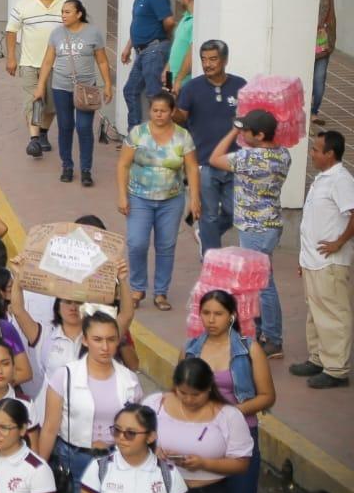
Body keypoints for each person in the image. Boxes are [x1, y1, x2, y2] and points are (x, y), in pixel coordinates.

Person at [183, 290, 275, 493]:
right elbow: (178, 393)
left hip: (240, 438)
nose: (211, 320)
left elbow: (267, 396)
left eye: (218, 314)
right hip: (201, 438)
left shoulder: (249, 349)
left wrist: (229, 414)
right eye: (206, 313)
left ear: (231, 316)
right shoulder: (190, 349)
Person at [37, 312, 143, 493]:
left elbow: (139, 429)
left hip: (117, 464)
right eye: (97, 339)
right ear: (85, 340)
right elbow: (49, 428)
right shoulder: (64, 376)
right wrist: (37, 471)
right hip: (74, 463)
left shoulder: (130, 381)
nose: (105, 347)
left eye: (111, 339)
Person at [142, 358, 252, 493]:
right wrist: (151, 452)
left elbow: (242, 464)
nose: (189, 400)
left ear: (209, 388)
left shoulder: (229, 415)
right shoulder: (155, 404)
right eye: (182, 393)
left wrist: (204, 464)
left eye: (196, 395)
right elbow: (136, 441)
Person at [207, 111, 291, 358]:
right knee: (261, 282)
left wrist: (233, 131)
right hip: (271, 225)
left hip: (254, 229)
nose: (243, 134)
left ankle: (273, 339)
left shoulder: (250, 158)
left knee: (264, 285)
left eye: (247, 131)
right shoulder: (283, 155)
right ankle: (263, 331)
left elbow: (215, 158)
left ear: (260, 135)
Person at [116, 91, 198, 311]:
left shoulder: (183, 137)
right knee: (136, 243)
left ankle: (161, 292)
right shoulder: (138, 134)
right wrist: (122, 195)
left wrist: (195, 199)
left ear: (172, 112)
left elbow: (191, 167)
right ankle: (137, 288)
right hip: (139, 198)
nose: (159, 115)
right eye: (155, 110)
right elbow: (123, 164)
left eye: (163, 111)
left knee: (166, 246)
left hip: (171, 199)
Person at [77, 403, 189, 493]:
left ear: (150, 437)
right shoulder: (98, 468)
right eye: (117, 431)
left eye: (130, 433)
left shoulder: (169, 474)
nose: (121, 438)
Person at [292, 130, 354, 389]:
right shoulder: (322, 179)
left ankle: (337, 369)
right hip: (313, 261)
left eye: (316, 150)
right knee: (315, 312)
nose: (312, 154)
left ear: (330, 154)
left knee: (334, 313)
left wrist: (339, 242)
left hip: (330, 262)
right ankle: (318, 359)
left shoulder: (341, 179)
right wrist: (303, 258)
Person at [174, 39, 246, 253]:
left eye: (213, 59)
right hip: (204, 163)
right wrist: (172, 107)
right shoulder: (191, 88)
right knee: (209, 215)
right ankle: (210, 260)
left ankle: (204, 235)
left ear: (225, 60)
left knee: (234, 212)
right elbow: (180, 118)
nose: (207, 64)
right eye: (204, 60)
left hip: (234, 162)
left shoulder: (241, 85)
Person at [34, 0, 110, 185]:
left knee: (84, 128)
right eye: (62, 12)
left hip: (86, 89)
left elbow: (101, 61)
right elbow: (47, 62)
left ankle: (86, 170)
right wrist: (40, 86)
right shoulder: (57, 34)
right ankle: (67, 166)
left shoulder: (93, 33)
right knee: (65, 127)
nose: (63, 15)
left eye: (68, 12)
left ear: (79, 14)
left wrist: (107, 84)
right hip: (61, 88)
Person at [5, 0, 65, 158]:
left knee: (52, 105)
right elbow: (11, 31)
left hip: (58, 65)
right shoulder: (24, 4)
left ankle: (44, 133)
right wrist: (11, 57)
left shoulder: (67, 4)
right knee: (33, 101)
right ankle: (34, 140)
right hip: (30, 63)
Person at [117, 0, 175, 129]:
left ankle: (158, 136)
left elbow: (169, 21)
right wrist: (129, 46)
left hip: (154, 50)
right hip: (141, 51)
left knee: (155, 95)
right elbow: (138, 23)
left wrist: (161, 39)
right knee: (130, 90)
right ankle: (134, 134)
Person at [314, 0, 337, 123]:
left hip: (321, 40)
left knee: (319, 79)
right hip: (305, 39)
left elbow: (331, 15)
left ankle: (313, 111)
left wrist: (330, 38)